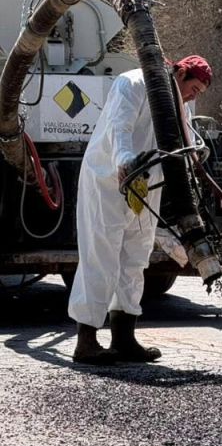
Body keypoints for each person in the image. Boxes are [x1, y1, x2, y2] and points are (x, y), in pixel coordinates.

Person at [69, 55, 212, 365]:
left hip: (147, 188)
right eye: (194, 88)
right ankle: (86, 340)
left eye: (198, 93)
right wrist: (124, 161)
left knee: (135, 257)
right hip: (109, 181)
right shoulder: (132, 83)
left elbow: (183, 148)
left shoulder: (180, 107)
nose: (193, 96)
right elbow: (119, 128)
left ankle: (123, 337)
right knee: (101, 256)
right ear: (181, 72)